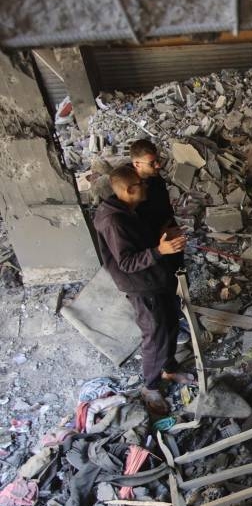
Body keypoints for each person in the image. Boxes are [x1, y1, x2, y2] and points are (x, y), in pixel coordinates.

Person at [93, 165, 193, 414]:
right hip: (141, 285)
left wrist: (161, 235)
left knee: (170, 324)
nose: (146, 186)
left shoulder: (129, 208)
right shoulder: (113, 221)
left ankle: (169, 369)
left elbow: (138, 240)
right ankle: (150, 386)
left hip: (156, 277)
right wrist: (160, 251)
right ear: (129, 190)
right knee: (155, 335)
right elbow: (126, 262)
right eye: (141, 183)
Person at [130, 139, 189, 344]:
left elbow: (164, 208)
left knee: (178, 276)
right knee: (162, 288)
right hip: (153, 247)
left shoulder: (156, 180)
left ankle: (181, 313)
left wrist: (171, 228)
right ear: (137, 164)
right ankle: (171, 325)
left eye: (158, 160)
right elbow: (135, 227)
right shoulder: (129, 189)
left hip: (169, 237)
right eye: (152, 163)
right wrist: (159, 235)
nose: (158, 165)